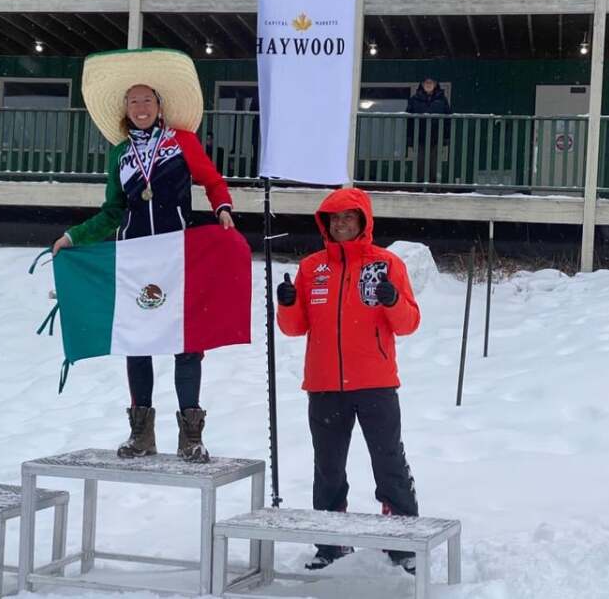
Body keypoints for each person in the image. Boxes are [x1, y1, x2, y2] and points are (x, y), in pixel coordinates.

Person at [52, 49, 235, 463]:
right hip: (135, 257)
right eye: (133, 101)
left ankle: (191, 436)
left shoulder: (182, 143)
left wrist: (222, 207)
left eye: (147, 100)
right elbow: (113, 211)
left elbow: (211, 179)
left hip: (178, 255)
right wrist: (73, 236)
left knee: (187, 343)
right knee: (139, 342)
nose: (140, 108)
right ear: (125, 108)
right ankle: (142, 436)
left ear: (159, 105)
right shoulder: (119, 155)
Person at [275, 187, 421, 573]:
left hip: (375, 382)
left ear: (363, 222)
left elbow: (408, 323)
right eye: (334, 219)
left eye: (348, 218)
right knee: (328, 467)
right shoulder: (311, 268)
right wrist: (287, 302)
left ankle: (403, 541)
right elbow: (294, 328)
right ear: (325, 224)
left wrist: (392, 301)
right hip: (324, 384)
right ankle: (330, 542)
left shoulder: (387, 264)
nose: (340, 225)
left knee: (388, 460)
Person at [407, 77, 452, 182]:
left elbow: (448, 120)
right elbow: (409, 120)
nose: (428, 85)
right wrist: (409, 137)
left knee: (434, 163)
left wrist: (446, 137)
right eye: (426, 83)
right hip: (419, 136)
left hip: (436, 137)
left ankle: (434, 186)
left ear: (435, 84)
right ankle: (419, 185)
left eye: (431, 82)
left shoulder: (442, 100)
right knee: (420, 162)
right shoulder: (414, 99)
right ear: (422, 85)